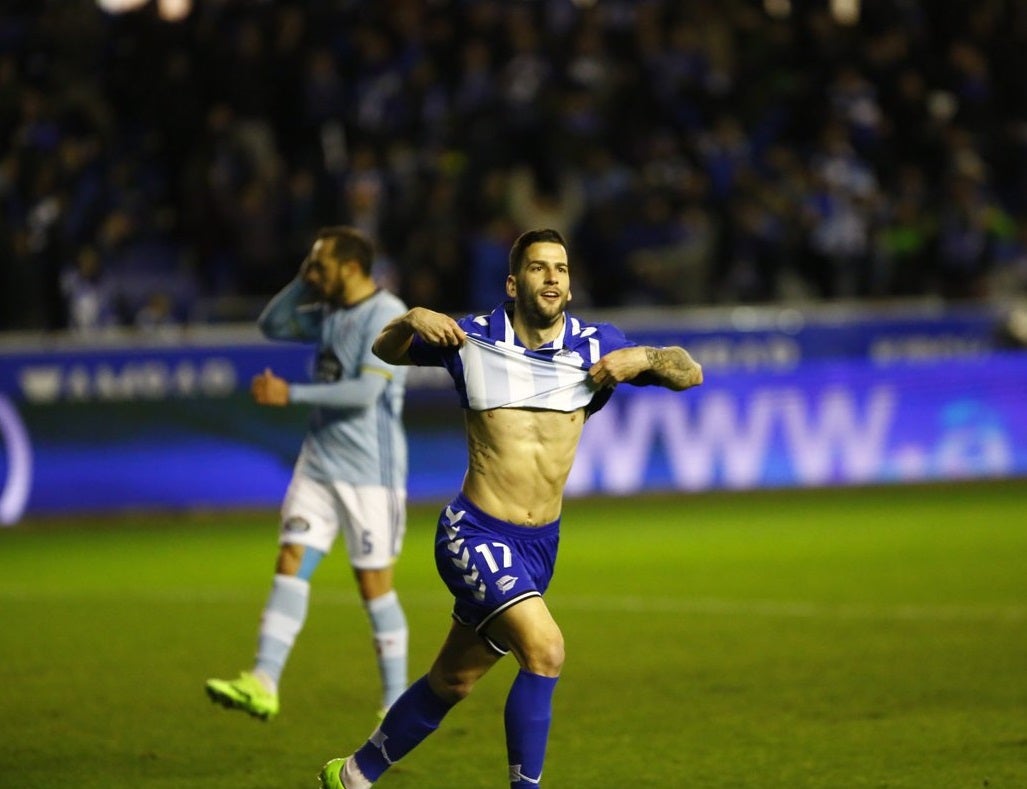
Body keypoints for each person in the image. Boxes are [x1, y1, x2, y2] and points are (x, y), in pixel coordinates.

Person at [317, 228, 703, 788]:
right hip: (473, 533)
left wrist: (641, 357)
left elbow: (690, 373)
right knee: (545, 650)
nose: (552, 277)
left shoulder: (599, 344)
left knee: (453, 681)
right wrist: (410, 319)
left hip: (540, 547)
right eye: (540, 267)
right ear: (513, 281)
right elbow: (384, 350)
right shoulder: (470, 340)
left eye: (562, 270)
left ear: (570, 288)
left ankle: (352, 775)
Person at [206, 226, 411, 722]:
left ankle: (396, 702)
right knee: (291, 559)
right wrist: (303, 281)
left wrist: (290, 395)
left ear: (352, 267)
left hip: (370, 472)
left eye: (321, 265)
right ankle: (263, 681)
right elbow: (271, 323)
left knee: (374, 585)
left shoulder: (388, 315)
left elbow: (365, 393)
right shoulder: (327, 313)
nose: (313, 272)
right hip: (319, 462)